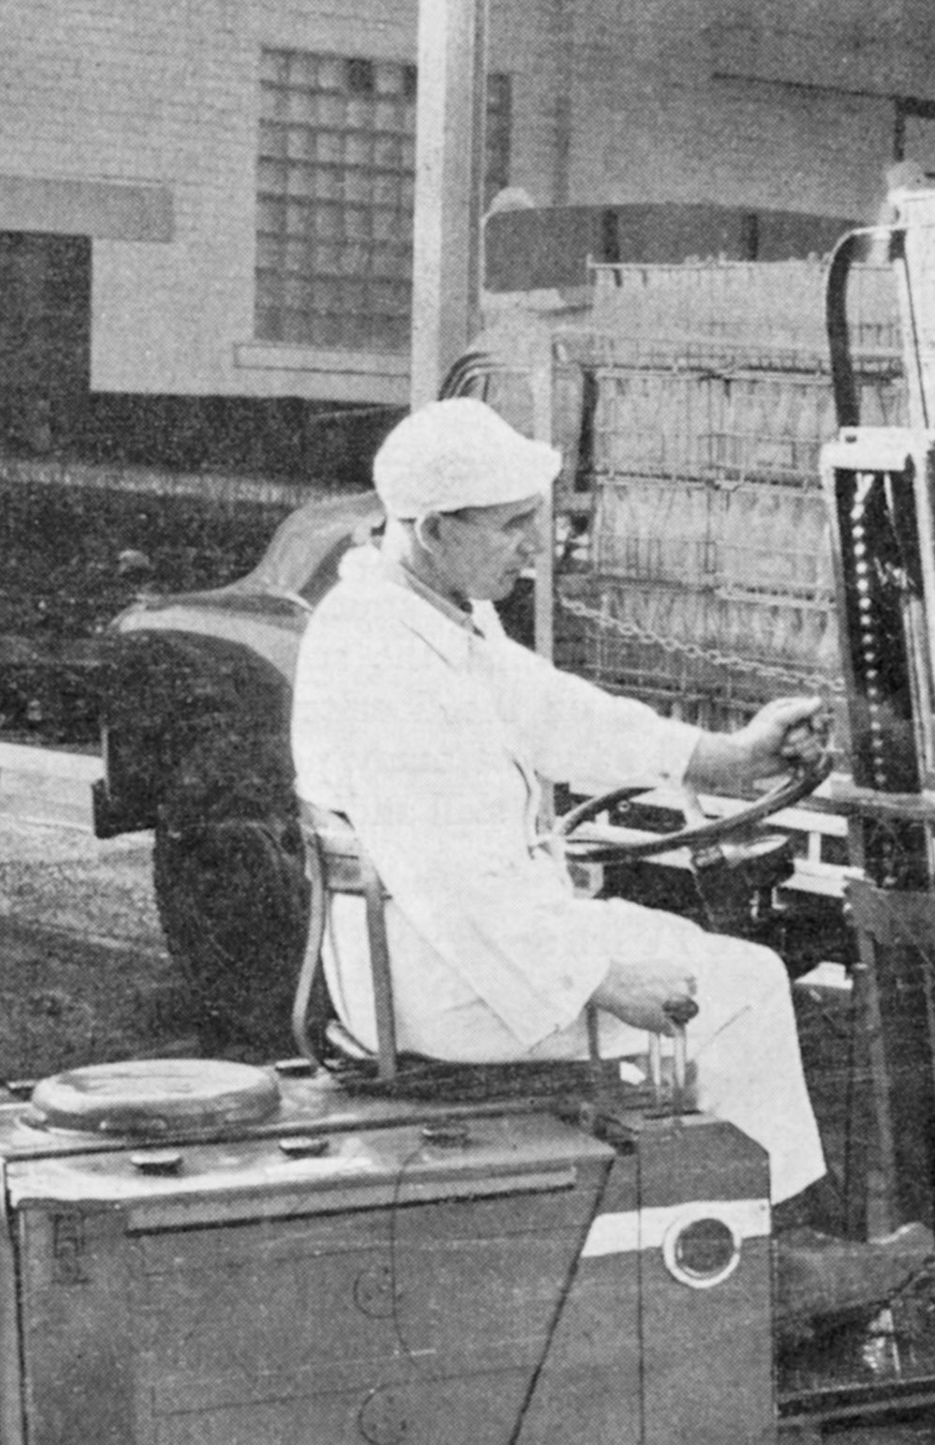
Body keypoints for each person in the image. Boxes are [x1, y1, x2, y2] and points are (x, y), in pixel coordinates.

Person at [289, 397, 834, 1204]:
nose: (532, 544)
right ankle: (779, 1260)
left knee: (708, 962)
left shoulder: (428, 615)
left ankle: (719, 1234)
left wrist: (724, 756)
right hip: (448, 985)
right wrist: (600, 978)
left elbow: (561, 713)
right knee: (745, 988)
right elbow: (455, 881)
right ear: (434, 528)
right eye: (511, 525)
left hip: (465, 956)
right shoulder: (383, 661)